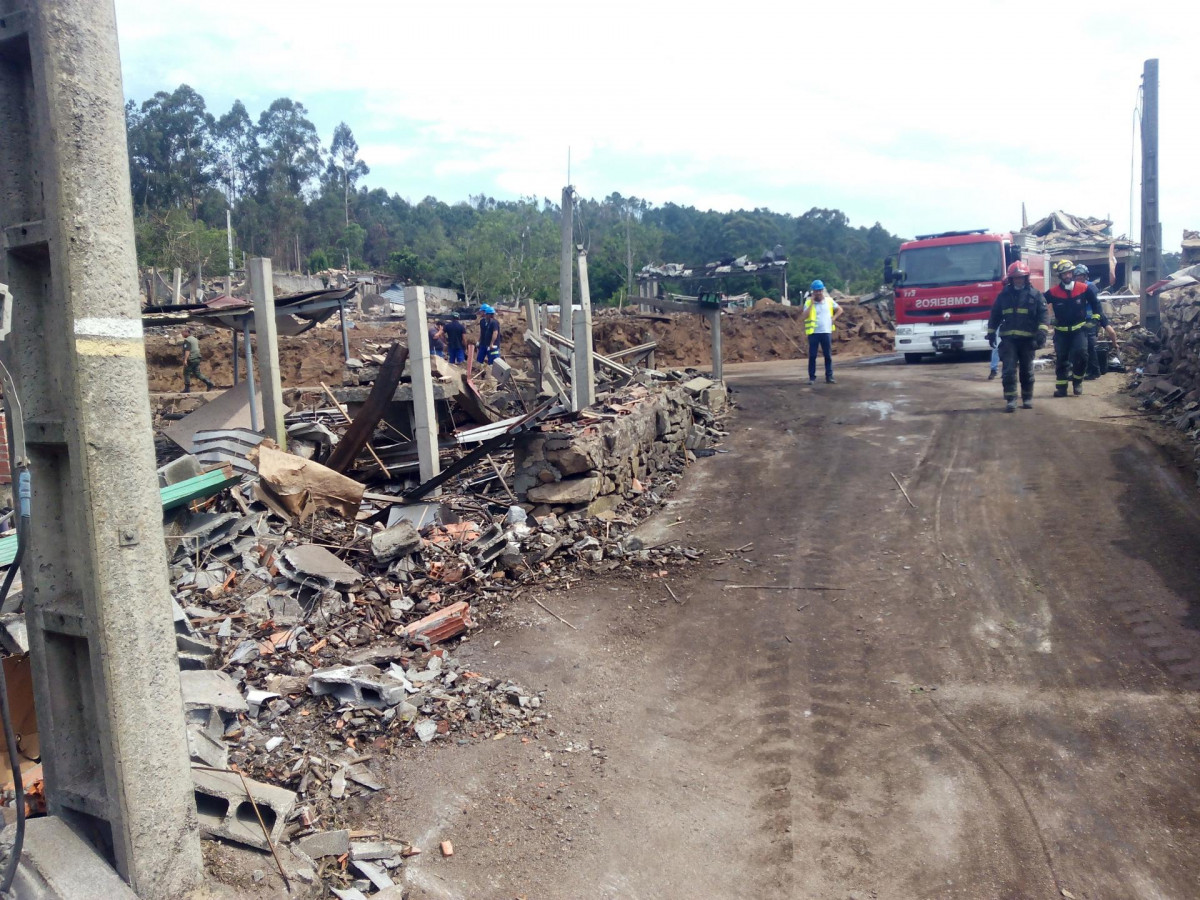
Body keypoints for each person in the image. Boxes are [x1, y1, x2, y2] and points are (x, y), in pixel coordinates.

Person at [1045, 259, 1118, 397]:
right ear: (1059, 276)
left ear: (1072, 273)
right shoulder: (1053, 292)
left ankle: (1077, 382)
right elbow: (1040, 304)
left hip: (1079, 330)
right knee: (1061, 359)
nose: (1067, 276)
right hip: (1061, 332)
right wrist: (1047, 320)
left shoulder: (1084, 289)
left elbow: (1096, 305)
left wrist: (1095, 320)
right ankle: (1061, 388)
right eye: (1064, 274)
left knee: (1082, 355)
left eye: (1069, 273)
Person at [986, 261, 1048, 412]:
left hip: (1028, 340)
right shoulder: (1004, 296)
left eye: (1021, 277)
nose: (1018, 280)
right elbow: (995, 315)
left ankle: (1027, 397)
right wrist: (991, 332)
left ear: (1026, 278)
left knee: (1026, 371)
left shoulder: (1035, 295)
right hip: (1009, 340)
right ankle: (1011, 399)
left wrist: (1042, 333)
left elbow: (1044, 315)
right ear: (1011, 279)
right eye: (1015, 278)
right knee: (1008, 370)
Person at [802, 280, 841, 384]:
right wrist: (812, 303)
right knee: (813, 356)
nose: (818, 293)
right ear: (813, 292)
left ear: (822, 290)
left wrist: (834, 318)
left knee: (828, 355)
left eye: (820, 290)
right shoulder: (808, 302)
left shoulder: (829, 301)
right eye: (816, 291)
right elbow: (804, 316)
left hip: (826, 332)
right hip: (813, 333)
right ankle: (812, 378)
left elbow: (840, 310)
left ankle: (829, 376)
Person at [1075, 263, 1104, 379]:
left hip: (1091, 320)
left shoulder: (1090, 287)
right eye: (1076, 276)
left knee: (1090, 346)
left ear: (1085, 276)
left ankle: (1094, 371)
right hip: (1080, 321)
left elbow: (1094, 304)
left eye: (1081, 276)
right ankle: (1086, 369)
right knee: (1081, 347)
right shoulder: (1074, 287)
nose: (1078, 278)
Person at [180, 327, 215, 393]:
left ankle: (187, 389)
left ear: (187, 332)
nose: (182, 334)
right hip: (197, 358)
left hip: (191, 358)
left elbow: (187, 350)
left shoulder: (187, 340)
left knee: (186, 372)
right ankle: (208, 383)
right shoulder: (195, 339)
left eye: (183, 332)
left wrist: (185, 360)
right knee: (197, 373)